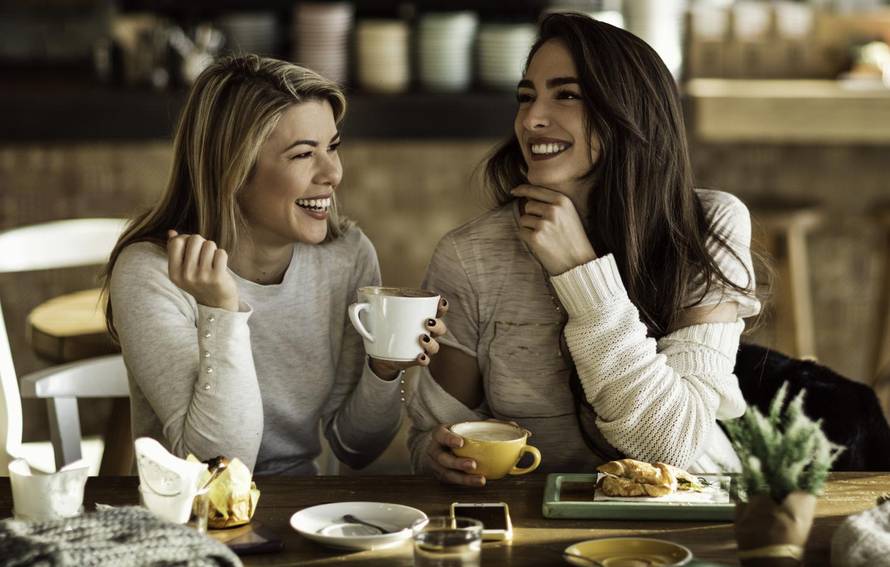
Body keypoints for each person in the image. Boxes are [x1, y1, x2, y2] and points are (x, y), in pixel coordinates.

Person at [407, 13, 762, 486]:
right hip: (531, 521)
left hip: (690, 517)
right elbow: (432, 437)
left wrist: (581, 271)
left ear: (628, 112)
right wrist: (436, 455)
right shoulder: (470, 256)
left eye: (567, 95)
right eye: (526, 97)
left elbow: (673, 445)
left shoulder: (707, 226)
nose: (531, 119)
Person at [103, 55, 446, 475]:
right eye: (303, 154)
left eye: (333, 147)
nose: (333, 173)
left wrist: (384, 368)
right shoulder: (154, 272)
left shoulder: (346, 256)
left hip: (303, 514)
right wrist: (221, 312)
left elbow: (357, 448)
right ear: (233, 169)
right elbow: (219, 466)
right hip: (192, 519)